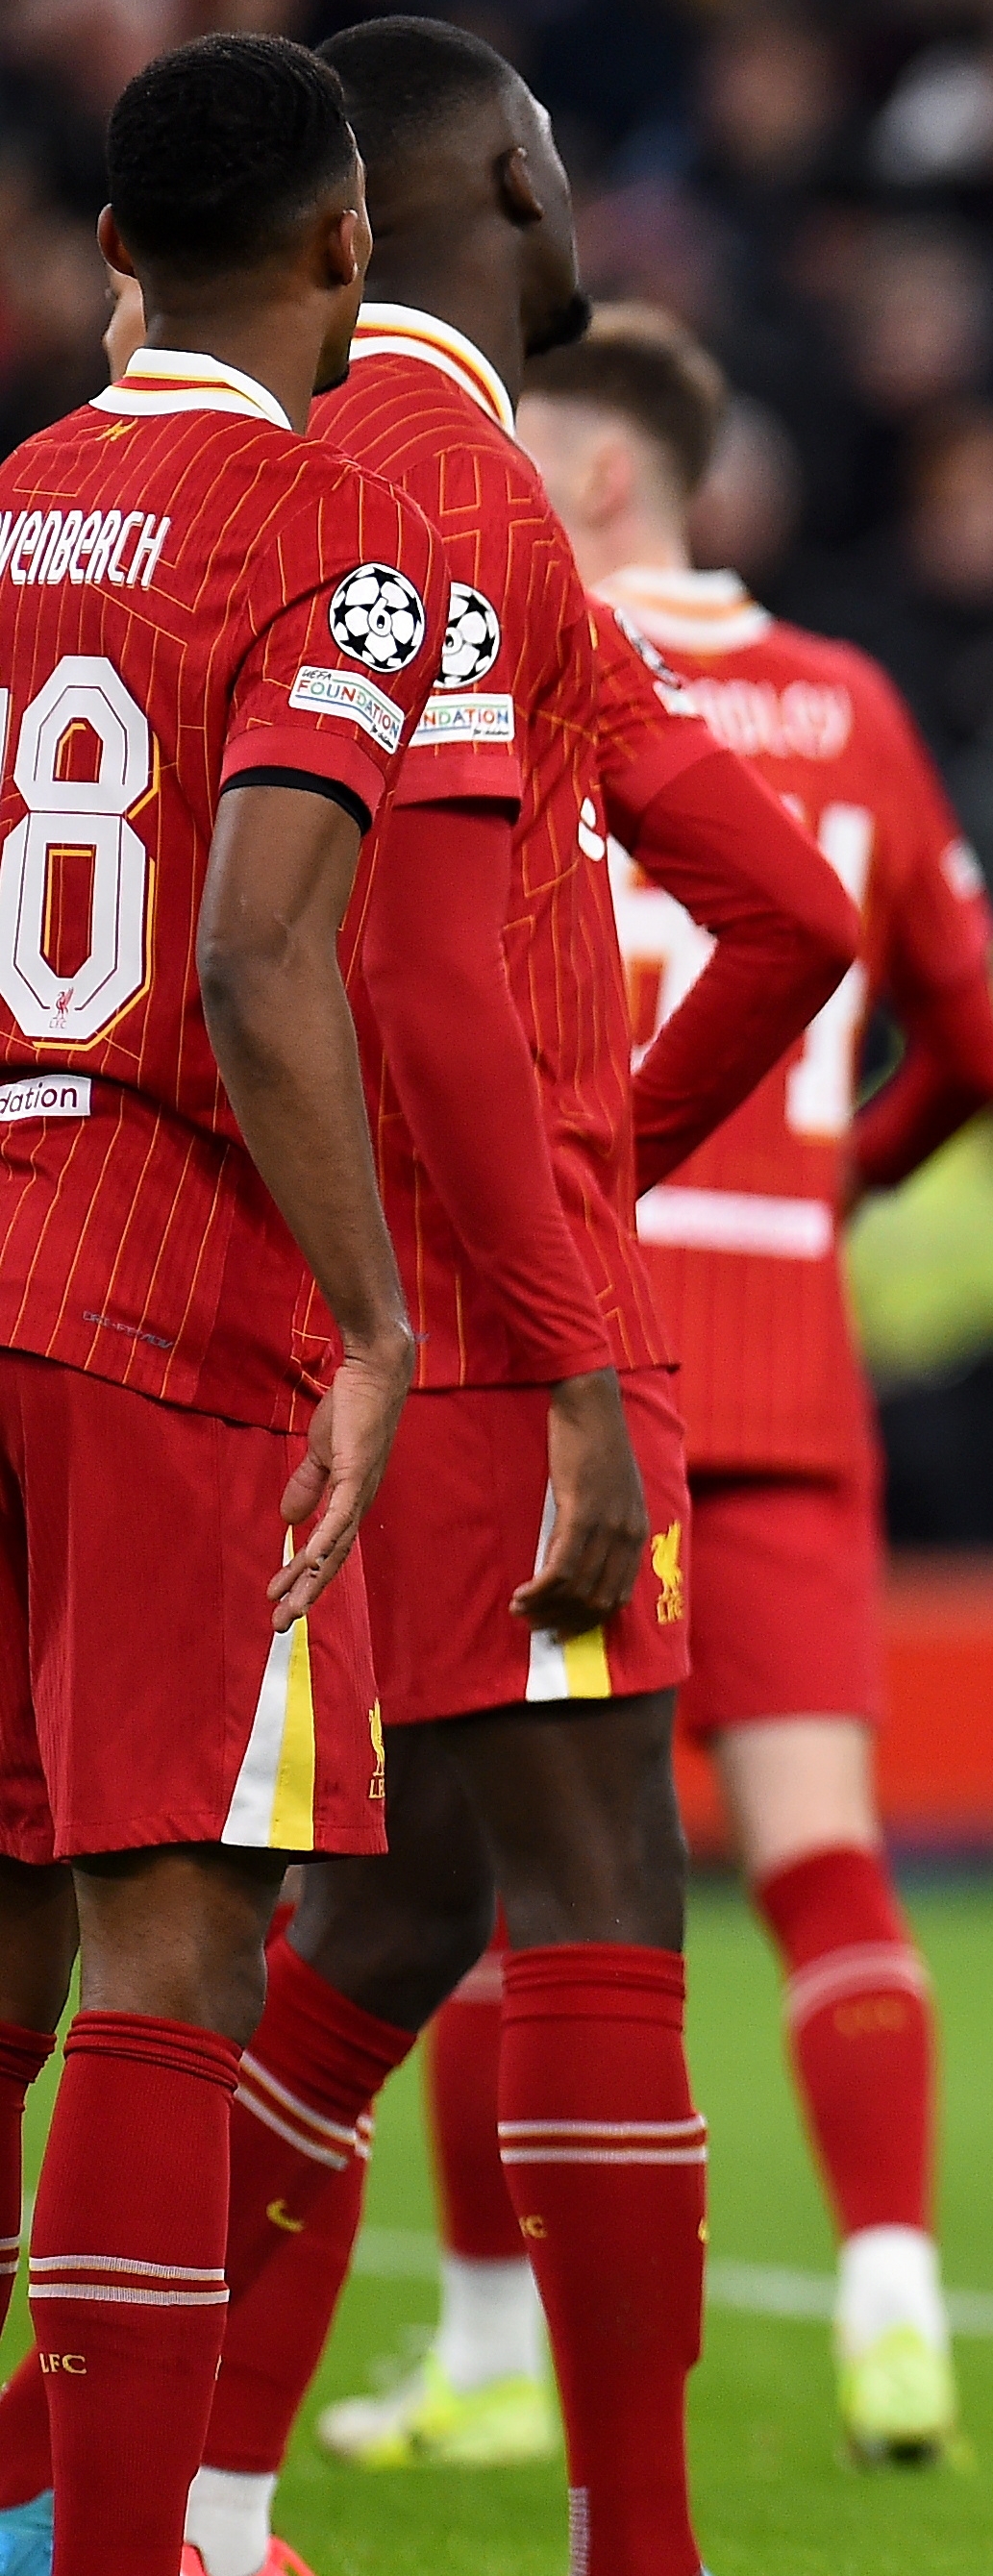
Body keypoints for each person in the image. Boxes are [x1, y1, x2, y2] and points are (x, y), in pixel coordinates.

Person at [0, 26, 855, 2576]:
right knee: (292, 1915)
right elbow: (365, 972)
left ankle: (111, 2489)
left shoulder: (35, 499)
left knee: (314, 1910)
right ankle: (440, 2530)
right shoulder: (402, 516)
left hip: (73, 1244)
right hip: (277, 1301)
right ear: (401, 213)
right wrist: (524, 1289)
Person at [277, 304, 993, 2479]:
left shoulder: (486, 648)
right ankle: (897, 2298)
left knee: (481, 1862)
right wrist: (832, 1189)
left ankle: (489, 2336)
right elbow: (971, 1047)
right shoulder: (856, 706)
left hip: (538, 1331)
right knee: (809, 1854)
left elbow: (390, 972)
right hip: (779, 1346)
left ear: (590, 475)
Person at [0, 37, 435, 2576]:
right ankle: (130, 2549)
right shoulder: (336, 539)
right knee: (176, 1936)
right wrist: (373, 1322)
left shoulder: (10, 507)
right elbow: (262, 964)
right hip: (168, 1307)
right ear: (349, 255)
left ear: (109, 266)